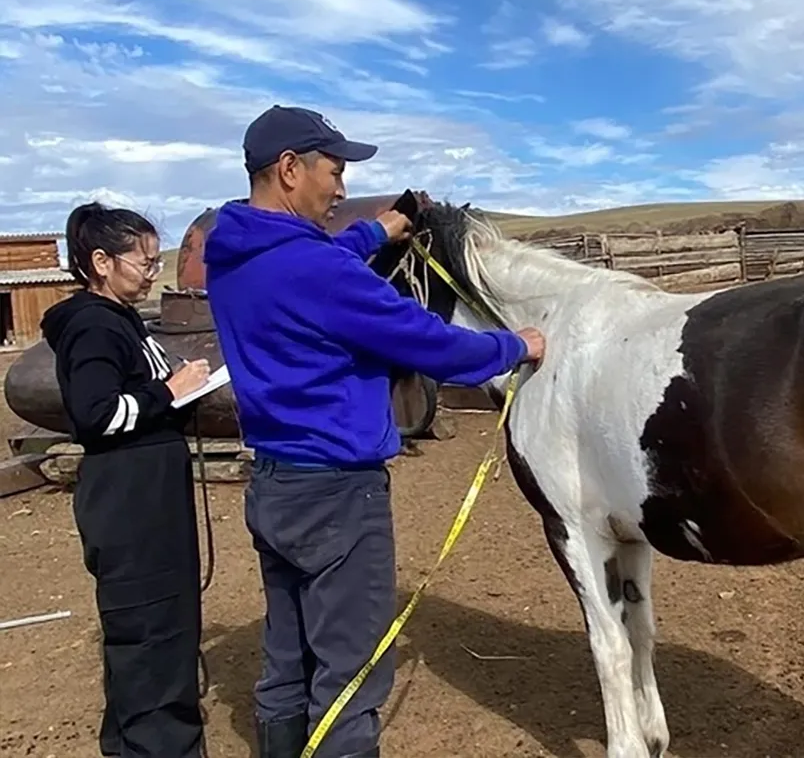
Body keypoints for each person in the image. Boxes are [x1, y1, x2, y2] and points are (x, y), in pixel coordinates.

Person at [203, 104, 545, 758]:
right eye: (333, 172)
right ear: (289, 169)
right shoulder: (317, 271)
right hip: (338, 494)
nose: (340, 190)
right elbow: (430, 344)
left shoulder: (235, 253)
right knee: (350, 676)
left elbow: (314, 261)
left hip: (274, 483)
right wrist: (515, 344)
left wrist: (379, 230)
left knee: (287, 658)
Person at [41, 201, 213, 758]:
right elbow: (97, 414)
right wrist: (169, 391)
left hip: (149, 500)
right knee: (152, 639)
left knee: (159, 635)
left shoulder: (120, 321)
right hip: (132, 506)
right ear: (100, 262)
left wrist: (181, 392)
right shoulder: (93, 326)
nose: (150, 272)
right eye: (141, 262)